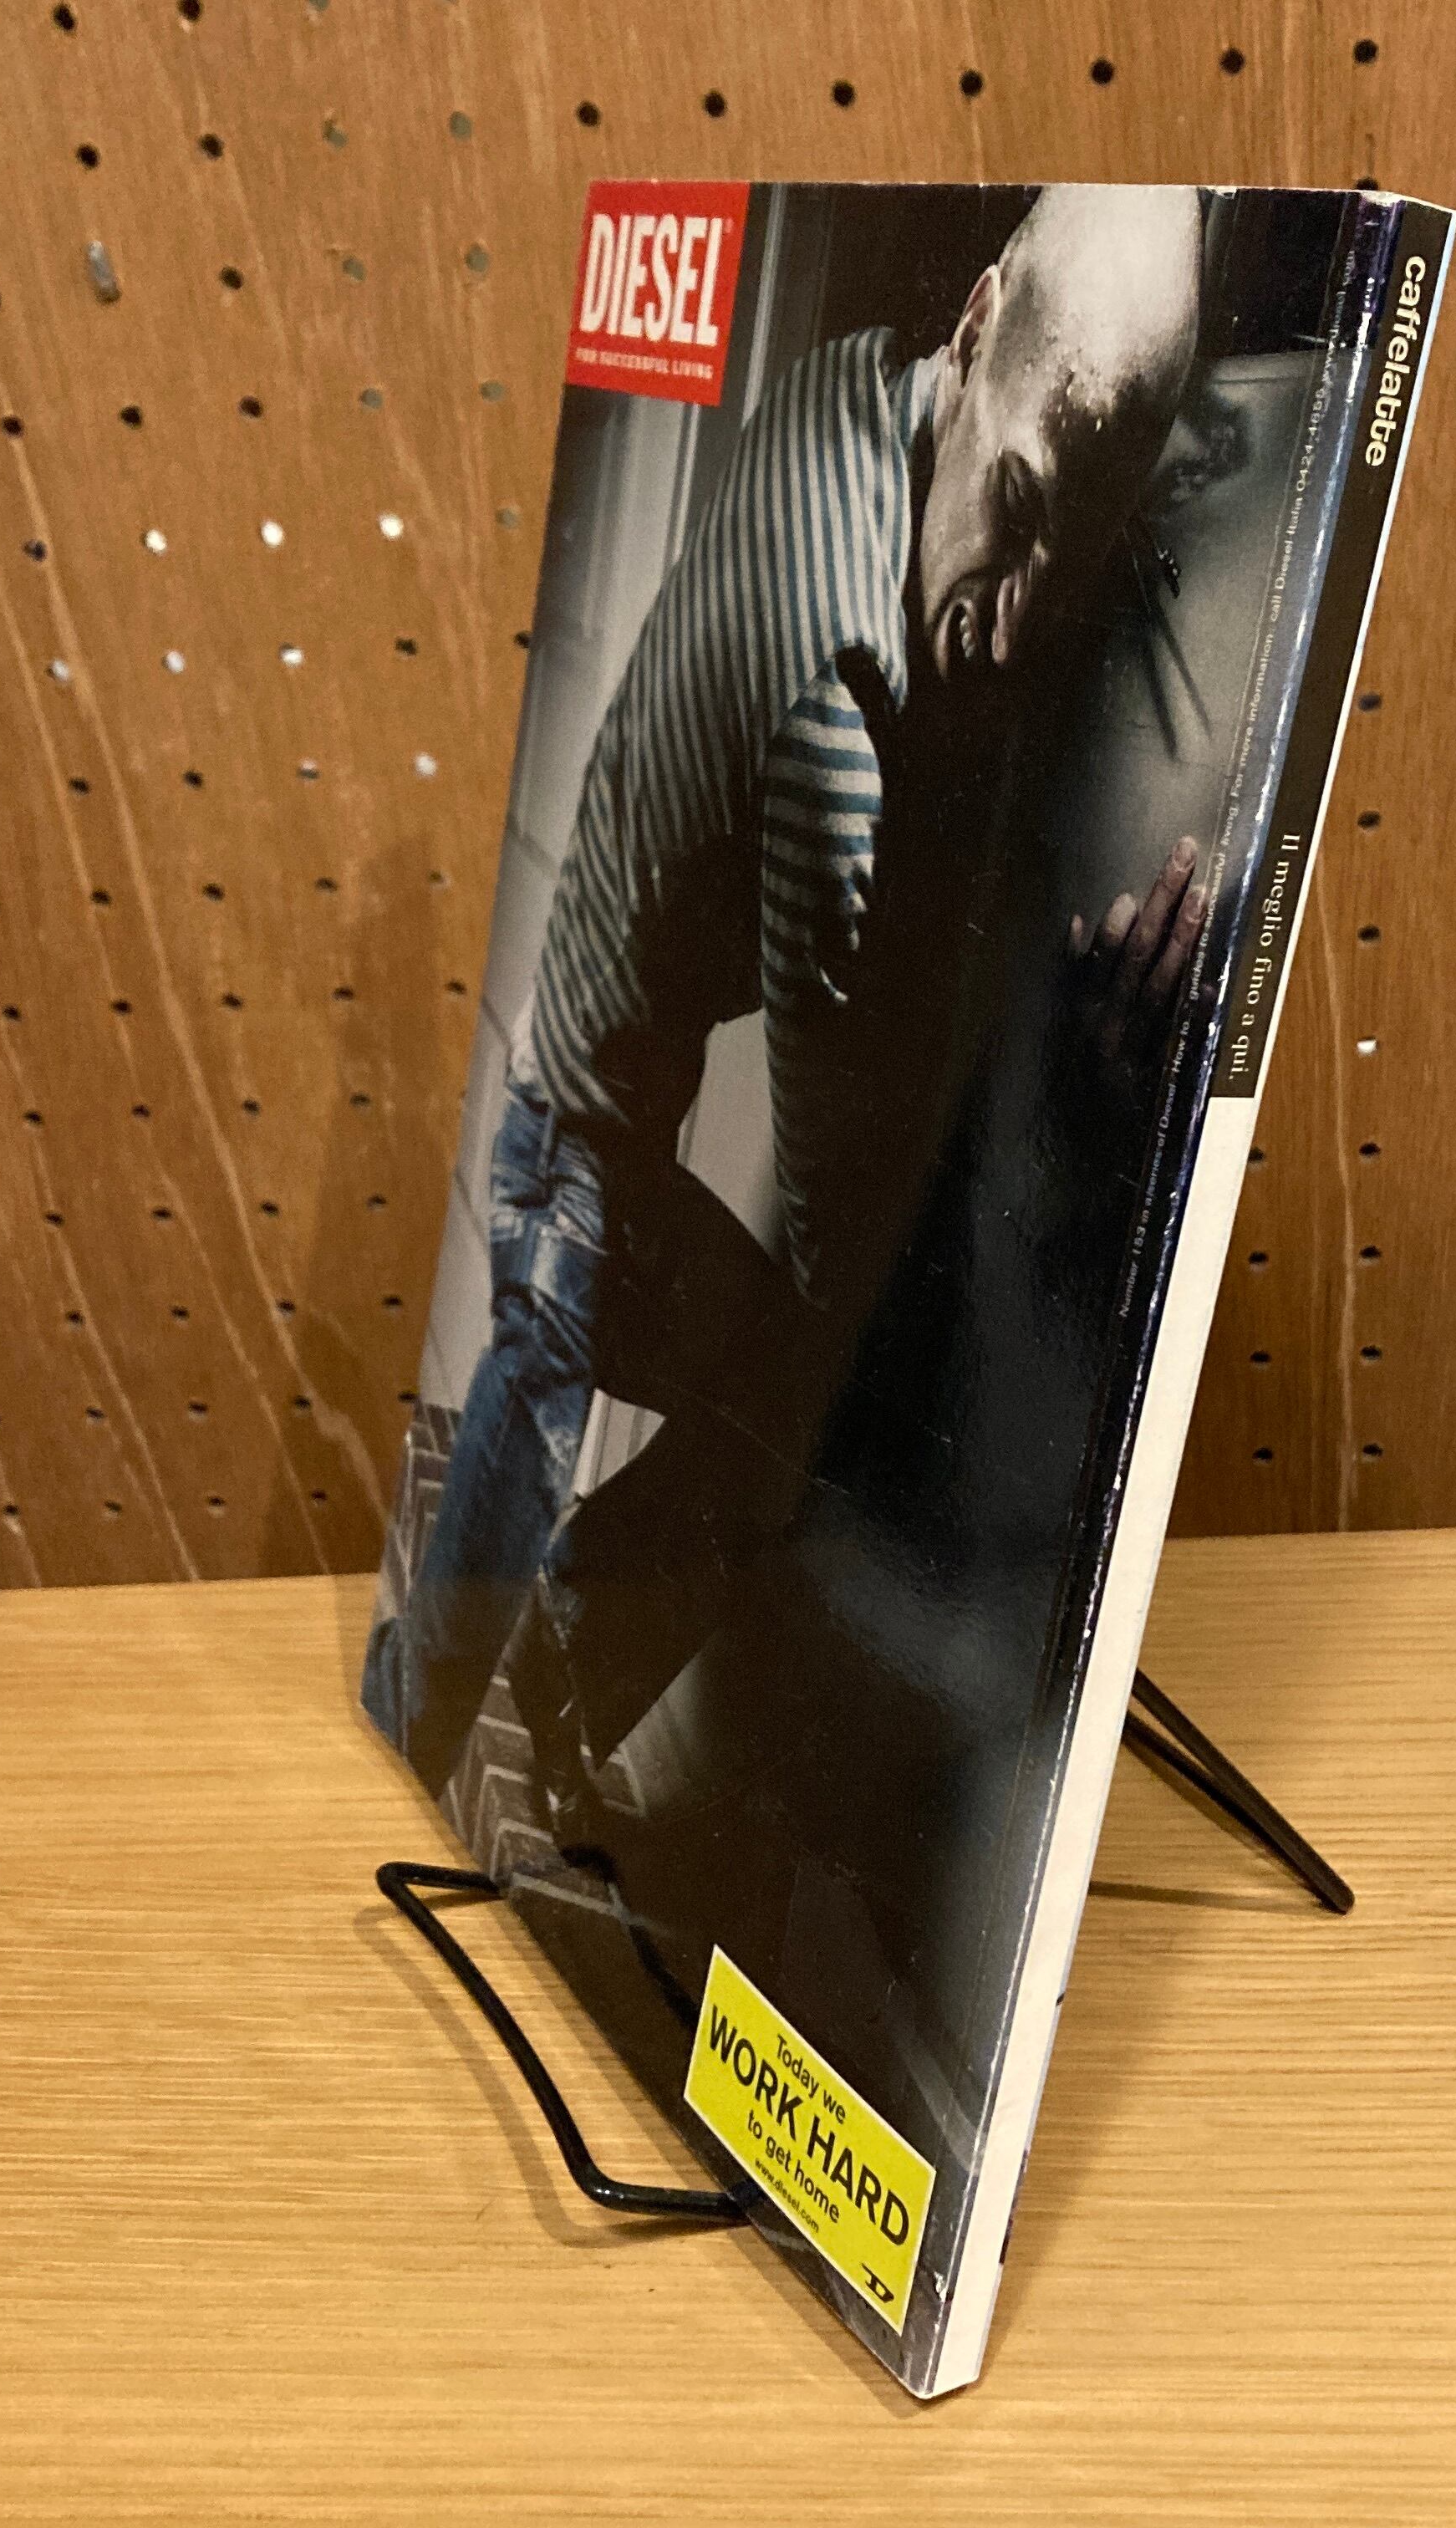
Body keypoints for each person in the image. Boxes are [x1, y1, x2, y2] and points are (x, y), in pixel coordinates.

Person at [365, 186, 1210, 1837]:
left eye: (1071, 555)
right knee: (724, 1429)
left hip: (586, 1082)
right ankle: (445, 1715)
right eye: (1020, 507)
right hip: (575, 1151)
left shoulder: (845, 389)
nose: (1018, 615)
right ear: (975, 323)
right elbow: (827, 1181)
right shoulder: (834, 724)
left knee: (722, 1409)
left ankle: (544, 1684)